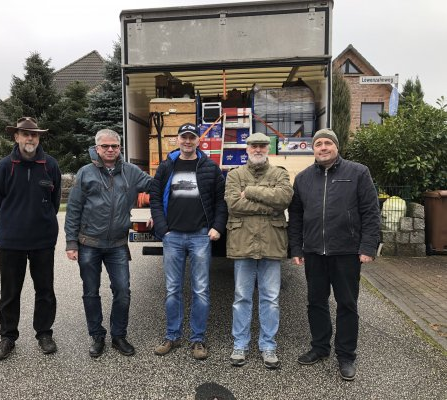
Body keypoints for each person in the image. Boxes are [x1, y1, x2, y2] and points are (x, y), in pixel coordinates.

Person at [288, 128, 380, 381]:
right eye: (318, 144)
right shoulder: (303, 178)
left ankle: (346, 355)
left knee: (347, 304)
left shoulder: (358, 172)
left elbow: (371, 211)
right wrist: (296, 248)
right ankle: (320, 347)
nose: (323, 147)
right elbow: (296, 216)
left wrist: (368, 246)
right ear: (313, 149)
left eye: (328, 143)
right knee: (316, 302)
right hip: (314, 251)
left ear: (336, 147)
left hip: (346, 251)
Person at [65, 129, 152, 358]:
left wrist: (157, 211)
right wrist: (71, 243)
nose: (110, 150)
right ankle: (97, 336)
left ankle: (118, 336)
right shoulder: (85, 173)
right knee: (90, 292)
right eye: (105, 146)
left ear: (120, 148)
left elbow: (156, 186)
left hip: (117, 245)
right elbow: (73, 209)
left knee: (122, 291)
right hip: (89, 243)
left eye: (114, 146)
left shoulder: (131, 172)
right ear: (97, 148)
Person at [150, 122, 227, 360]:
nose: (187, 141)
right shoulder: (166, 166)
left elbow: (221, 200)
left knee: (201, 290)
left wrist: (217, 227)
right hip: (172, 236)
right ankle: (172, 335)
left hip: (200, 236)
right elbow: (154, 197)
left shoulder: (210, 167)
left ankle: (198, 339)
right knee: (173, 289)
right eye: (183, 137)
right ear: (177, 140)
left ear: (198, 141)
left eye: (192, 137)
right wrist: (163, 229)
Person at [0, 117, 61, 360]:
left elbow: (54, 201)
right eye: (25, 134)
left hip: (43, 240)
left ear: (39, 138)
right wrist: (14, 221)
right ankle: (8, 337)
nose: (30, 138)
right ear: (16, 137)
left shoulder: (50, 165)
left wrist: (43, 220)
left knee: (45, 290)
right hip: (12, 241)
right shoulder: (5, 166)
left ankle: (44, 333)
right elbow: (0, 202)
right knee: (10, 292)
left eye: (34, 134)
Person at [224, 132, 293, 369]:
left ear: (268, 149)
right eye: (254, 146)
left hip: (271, 242)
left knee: (270, 299)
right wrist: (269, 206)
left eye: (262, 146)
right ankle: (240, 344)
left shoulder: (280, 174)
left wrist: (252, 192)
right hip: (243, 242)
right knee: (241, 298)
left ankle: (268, 346)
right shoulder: (234, 175)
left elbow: (283, 199)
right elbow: (233, 204)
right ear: (247, 149)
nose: (258, 149)